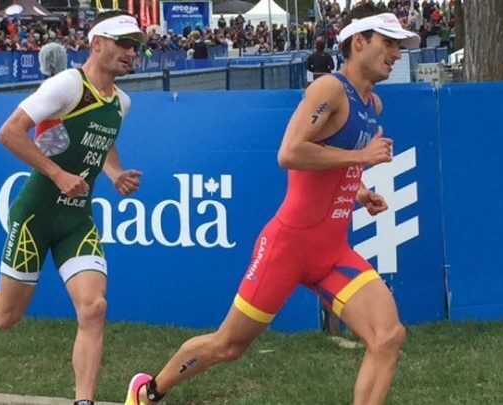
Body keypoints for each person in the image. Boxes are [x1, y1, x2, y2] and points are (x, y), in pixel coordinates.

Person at [124, 4, 419, 405]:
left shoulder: (373, 105)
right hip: (287, 247)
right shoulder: (329, 90)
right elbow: (290, 153)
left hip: (332, 252)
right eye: (389, 43)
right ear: (358, 42)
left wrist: (359, 190)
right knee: (229, 346)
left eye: (400, 46)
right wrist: (361, 158)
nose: (397, 54)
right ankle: (149, 390)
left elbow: (335, 161)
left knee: (388, 336)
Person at [0, 10, 145, 405]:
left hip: (76, 220)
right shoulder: (67, 85)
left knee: (94, 308)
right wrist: (58, 174)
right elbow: (8, 132)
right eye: (123, 43)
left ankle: (84, 401)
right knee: (5, 318)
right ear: (97, 44)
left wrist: (114, 174)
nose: (131, 52)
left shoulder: (121, 102)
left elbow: (105, 137)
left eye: (135, 46)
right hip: (35, 216)